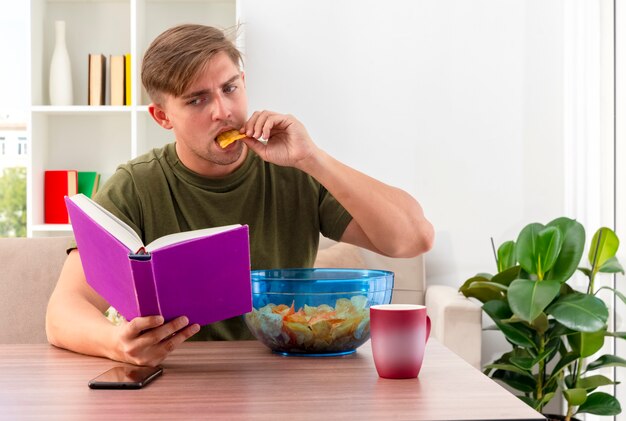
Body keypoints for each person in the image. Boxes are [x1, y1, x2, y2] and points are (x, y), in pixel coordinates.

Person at [45, 24, 434, 367]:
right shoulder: (135, 185)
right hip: (181, 381)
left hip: (285, 374)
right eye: (197, 100)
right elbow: (62, 313)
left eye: (230, 88)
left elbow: (415, 238)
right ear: (163, 117)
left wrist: (313, 158)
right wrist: (119, 345)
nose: (223, 111)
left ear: (243, 83)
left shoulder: (295, 169)